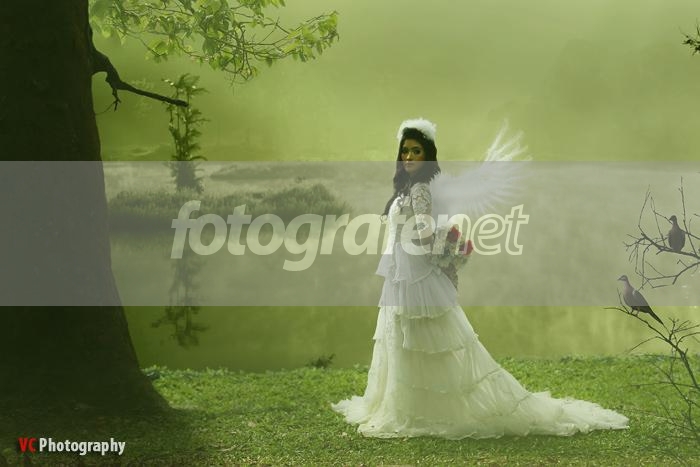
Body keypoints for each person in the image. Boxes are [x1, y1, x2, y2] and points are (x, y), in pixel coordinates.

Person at [330, 118, 629, 439]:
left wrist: (446, 251)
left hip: (414, 275)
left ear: (428, 154)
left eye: (416, 151)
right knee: (409, 338)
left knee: (423, 338)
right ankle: (415, 404)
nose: (409, 157)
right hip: (402, 272)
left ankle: (420, 407)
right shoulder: (409, 188)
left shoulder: (420, 189)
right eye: (405, 151)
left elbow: (425, 233)